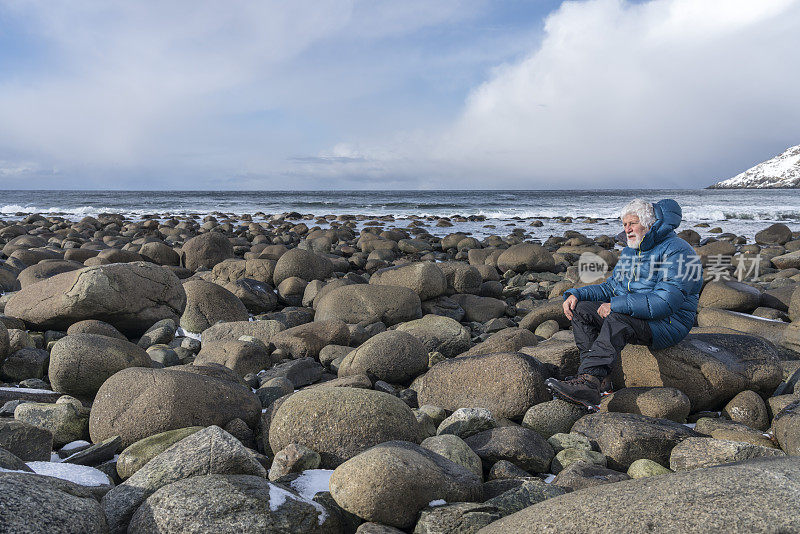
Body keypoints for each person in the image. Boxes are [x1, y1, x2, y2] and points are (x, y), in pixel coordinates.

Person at [545, 198, 702, 408]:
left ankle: (588, 384)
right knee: (581, 310)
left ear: (650, 223)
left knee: (617, 318)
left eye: (633, 223)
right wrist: (577, 294)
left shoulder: (679, 251)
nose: (627, 229)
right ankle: (596, 379)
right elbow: (612, 287)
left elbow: (664, 303)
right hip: (638, 315)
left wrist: (617, 305)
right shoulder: (631, 250)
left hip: (668, 323)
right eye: (624, 224)